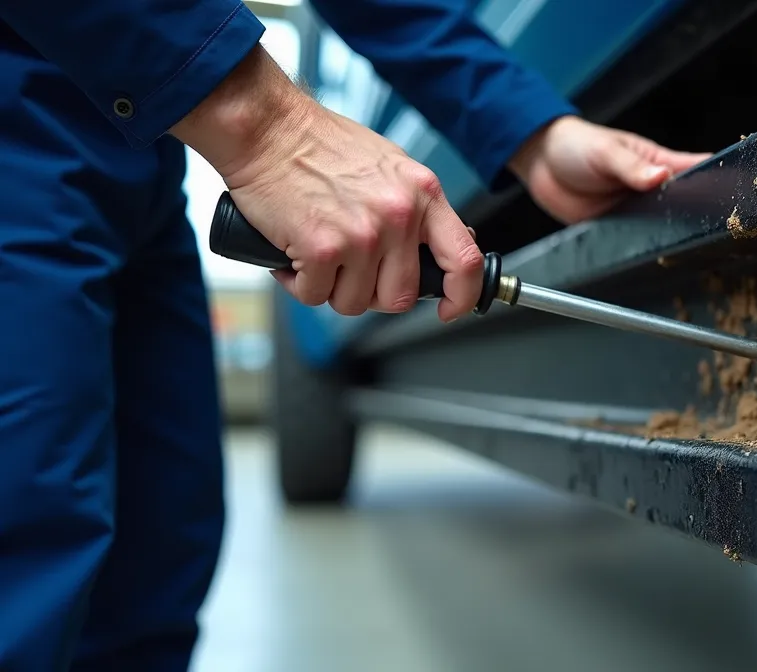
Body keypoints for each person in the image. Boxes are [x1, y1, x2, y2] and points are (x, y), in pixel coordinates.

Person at [0, 1, 710, 669]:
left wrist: (530, 129)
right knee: (32, 554)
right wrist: (266, 126)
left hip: (135, 151)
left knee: (151, 564)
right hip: (21, 130)